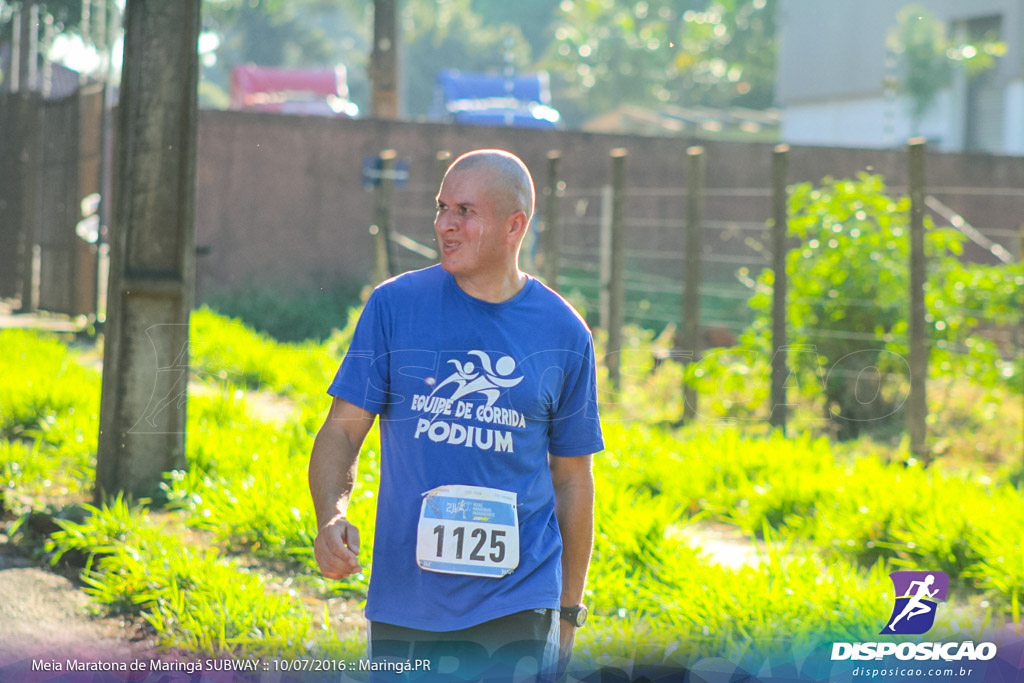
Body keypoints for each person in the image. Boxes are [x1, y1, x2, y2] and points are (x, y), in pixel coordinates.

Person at [308, 149, 604, 680]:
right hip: (407, 598)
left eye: (465, 211)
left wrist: (567, 612)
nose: (445, 224)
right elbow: (341, 430)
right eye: (442, 207)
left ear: (515, 225)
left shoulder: (564, 333)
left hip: (518, 600)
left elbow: (572, 479)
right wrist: (331, 515)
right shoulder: (395, 306)